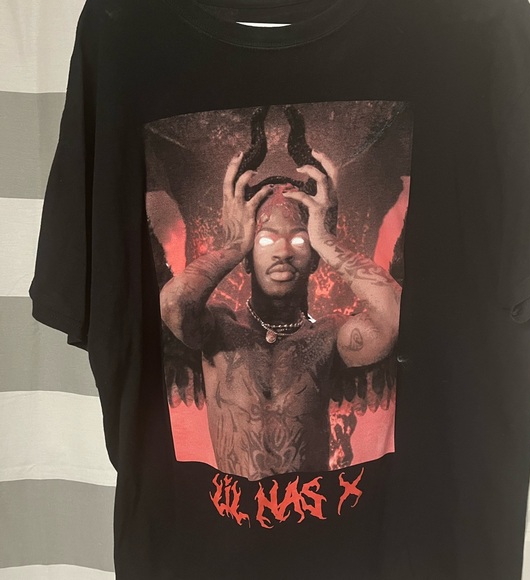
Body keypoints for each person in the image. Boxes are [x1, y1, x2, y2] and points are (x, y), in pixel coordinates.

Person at [160, 149, 401, 481]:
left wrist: (325, 240)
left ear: (314, 259)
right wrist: (234, 244)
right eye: (266, 240)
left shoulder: (329, 337)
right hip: (234, 511)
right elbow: (173, 305)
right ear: (246, 259)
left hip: (312, 509)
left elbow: (393, 318)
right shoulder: (219, 330)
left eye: (299, 240)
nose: (284, 251)